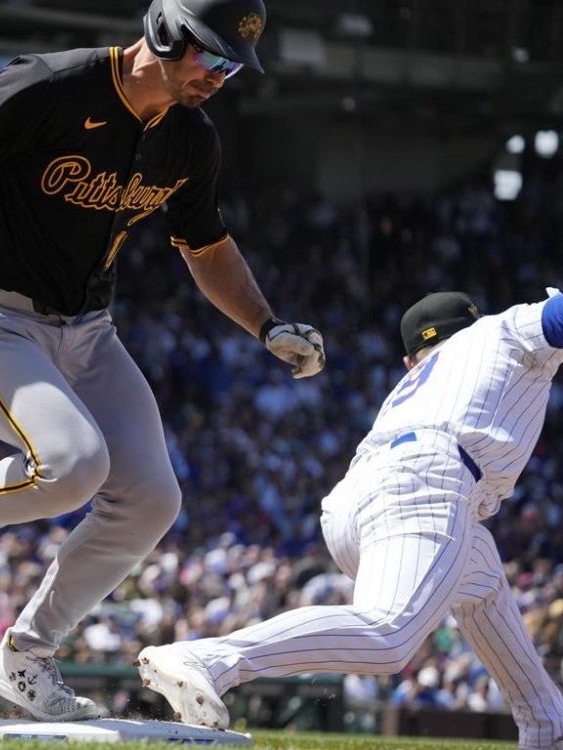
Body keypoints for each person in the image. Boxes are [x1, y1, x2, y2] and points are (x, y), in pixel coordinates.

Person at [0, 0, 325, 722]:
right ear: (166, 32)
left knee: (152, 500)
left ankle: (26, 655)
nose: (220, 76)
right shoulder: (52, 84)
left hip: (88, 330)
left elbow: (205, 246)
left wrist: (266, 325)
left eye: (232, 65)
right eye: (210, 56)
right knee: (74, 465)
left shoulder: (191, 139)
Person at [137, 290, 563, 750]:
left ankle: (547, 725)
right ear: (471, 323)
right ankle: (209, 659)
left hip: (354, 503)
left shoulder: (412, 385)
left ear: (408, 361)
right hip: (426, 479)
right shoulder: (498, 330)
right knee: (389, 635)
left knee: (481, 578)